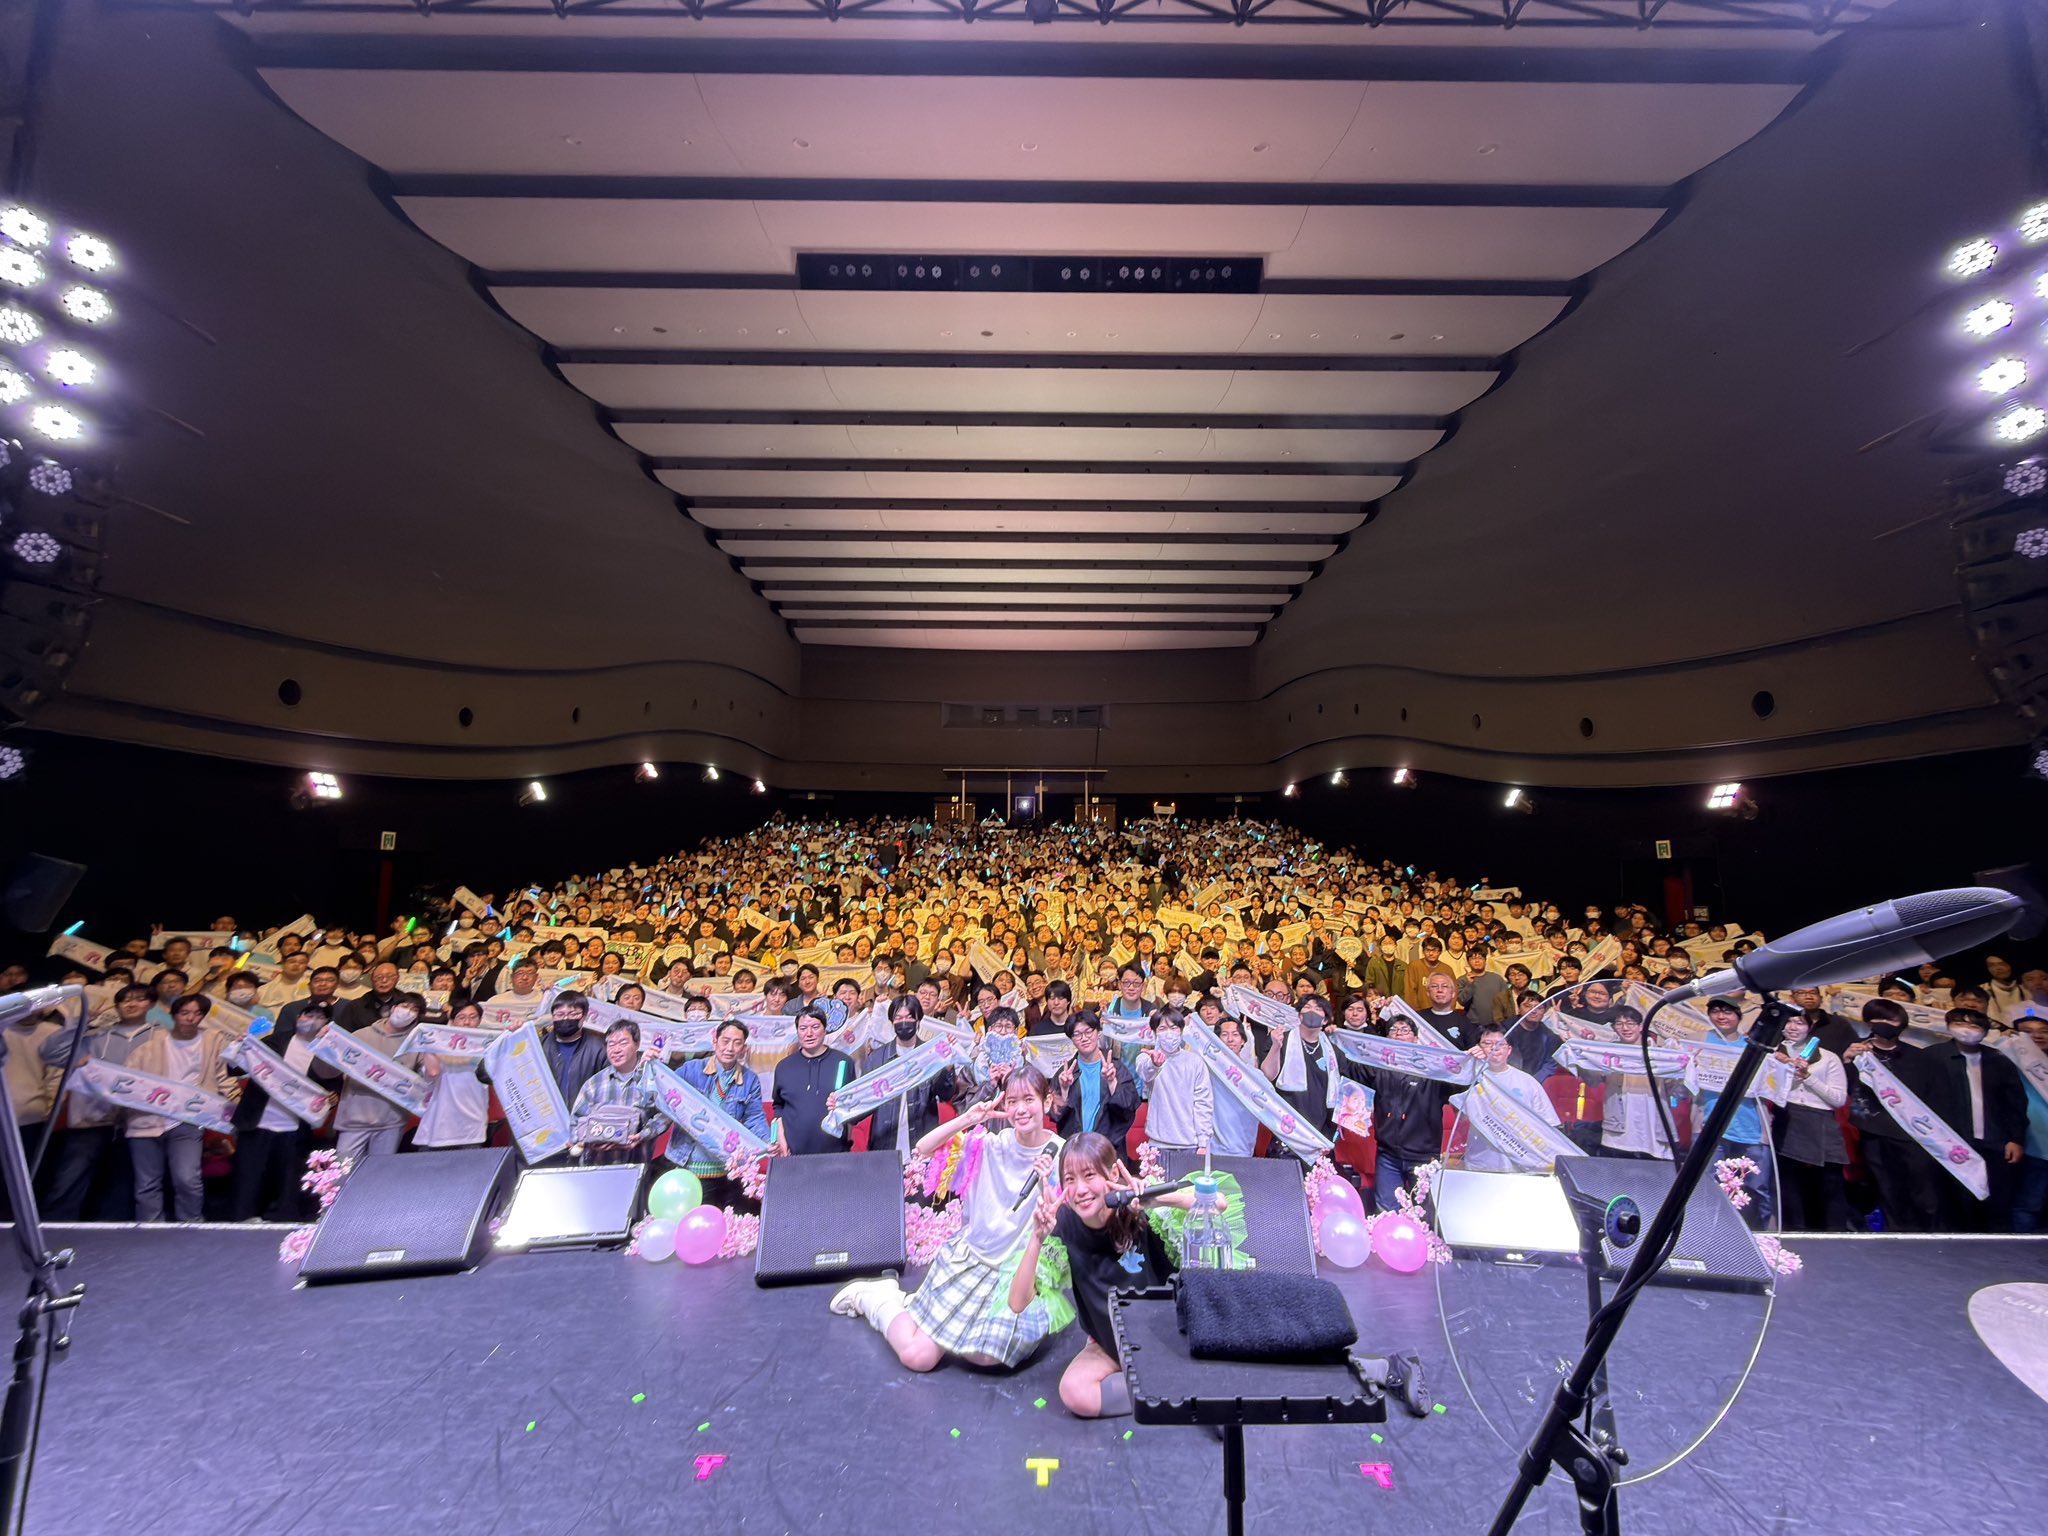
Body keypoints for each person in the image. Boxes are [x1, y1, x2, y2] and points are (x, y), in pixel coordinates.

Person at [829, 1065, 1062, 1372]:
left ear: (1047, 1102)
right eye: (1012, 1101)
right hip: (972, 1261)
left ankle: (927, 1313)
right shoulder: (989, 1145)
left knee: (987, 1356)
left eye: (1029, 1099)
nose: (1020, 1109)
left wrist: (1048, 1184)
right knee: (918, 1357)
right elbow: (924, 1149)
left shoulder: (1061, 1154)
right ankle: (877, 1297)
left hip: (1016, 1273)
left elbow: (1064, 1214)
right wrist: (968, 1119)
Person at [1009, 1131, 1238, 1419]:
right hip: (1111, 1343)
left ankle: (1167, 1379)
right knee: (1074, 1391)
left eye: (1089, 1175)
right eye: (1070, 1179)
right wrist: (1037, 1239)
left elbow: (1219, 1203)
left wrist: (1156, 1200)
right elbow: (1017, 1302)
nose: (1080, 1189)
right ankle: (1170, 1386)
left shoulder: (1139, 1203)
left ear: (1113, 1173)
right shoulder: (1063, 1224)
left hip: (1165, 1339)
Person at [42, 983, 156, 1220]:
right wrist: (80, 1024)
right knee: (69, 1181)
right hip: (90, 1121)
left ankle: (113, 1231)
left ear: (152, 1004)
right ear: (117, 1006)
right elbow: (50, 1053)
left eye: (139, 999)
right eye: (125, 1000)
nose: (132, 1004)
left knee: (123, 1183)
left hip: (139, 1123)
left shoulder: (162, 1038)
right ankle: (56, 1230)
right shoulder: (94, 1037)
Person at [1919, 1007, 2028, 1230]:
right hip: (1949, 1143)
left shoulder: (1998, 1060)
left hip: (1994, 1143)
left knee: (1995, 1202)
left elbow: (2015, 1103)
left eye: (1974, 1026)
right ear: (1949, 1027)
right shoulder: (1931, 1057)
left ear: (1985, 1031)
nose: (1966, 1030)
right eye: (1959, 1024)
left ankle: (1996, 1246)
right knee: (1952, 1203)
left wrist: (2015, 1139)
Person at [126, 994, 231, 1222]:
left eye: (197, 1013)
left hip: (188, 1119)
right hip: (145, 1120)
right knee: (147, 1182)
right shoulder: (149, 1047)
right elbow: (125, 1083)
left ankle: (191, 1224)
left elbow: (224, 1078)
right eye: (185, 1013)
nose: (191, 1018)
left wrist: (234, 1105)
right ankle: (151, 1228)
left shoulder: (212, 1042)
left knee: (187, 1178)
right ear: (173, 1015)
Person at [1844, 998, 1945, 1232]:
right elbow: (1844, 1092)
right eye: (1878, 1019)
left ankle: (1928, 1234)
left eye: (1891, 1020)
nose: (1885, 1024)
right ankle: (1895, 1233)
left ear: (1902, 1023)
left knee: (1923, 1189)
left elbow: (1934, 1095)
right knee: (1887, 1188)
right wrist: (1847, 1061)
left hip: (1915, 1133)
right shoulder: (1858, 1053)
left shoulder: (1921, 1058)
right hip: (1873, 1132)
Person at [229, 996, 332, 1220]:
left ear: (326, 1024)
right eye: (308, 1015)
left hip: (295, 1127)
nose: (312, 1020)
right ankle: (241, 1223)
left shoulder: (326, 1051)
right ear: (298, 1017)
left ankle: (283, 1225)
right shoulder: (275, 1041)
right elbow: (235, 1069)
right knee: (248, 1180)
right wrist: (237, 1048)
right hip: (258, 1121)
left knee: (289, 1183)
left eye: (319, 1017)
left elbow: (333, 1084)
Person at [838, 996, 961, 1158]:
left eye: (909, 1017)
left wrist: (948, 1066)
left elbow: (945, 1095)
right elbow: (862, 1105)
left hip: (923, 1144)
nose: (904, 1022)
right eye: (898, 1018)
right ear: (892, 1022)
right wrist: (841, 1104)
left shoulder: (930, 1053)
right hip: (885, 1144)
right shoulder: (877, 1059)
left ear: (918, 1021)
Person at [666, 1020, 769, 1207]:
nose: (730, 1048)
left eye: (737, 1043)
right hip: (687, 1163)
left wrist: (767, 1143)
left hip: (726, 1167)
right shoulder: (690, 1070)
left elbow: (754, 1117)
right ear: (715, 1042)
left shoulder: (750, 1080)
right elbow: (663, 1093)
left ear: (743, 1049)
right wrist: (649, 1065)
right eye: (725, 1041)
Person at [1771, 1009, 1849, 1231]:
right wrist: (1783, 1069)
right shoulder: (1772, 1055)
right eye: (1788, 1022)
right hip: (1788, 1119)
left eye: (1799, 1023)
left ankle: (1835, 1234)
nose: (1792, 1027)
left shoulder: (1828, 1057)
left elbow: (1838, 1099)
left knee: (1830, 1185)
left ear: (1810, 1027)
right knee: (1790, 1185)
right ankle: (1796, 1233)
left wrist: (1808, 1076)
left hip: (1821, 1122)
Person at [1364, 1013, 1451, 1213]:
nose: (1398, 1034)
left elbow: (1459, 1083)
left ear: (1416, 1038)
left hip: (1423, 1157)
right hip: (1388, 1155)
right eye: (1393, 1030)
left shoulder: (1432, 1070)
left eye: (1405, 1030)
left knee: (1425, 1214)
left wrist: (1471, 1059)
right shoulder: (1378, 1067)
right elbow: (1349, 1068)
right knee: (1386, 1213)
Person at [1461, 1023, 1563, 1173]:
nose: (1494, 1048)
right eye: (1487, 1043)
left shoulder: (1527, 1082)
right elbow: (1460, 1115)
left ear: (1509, 1050)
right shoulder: (1468, 1078)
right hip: (1481, 1161)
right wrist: (1466, 1065)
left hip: (1519, 1164)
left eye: (1500, 1044)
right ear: (1478, 1047)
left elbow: (1549, 1123)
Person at [569, 1020, 660, 1164]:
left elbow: (665, 1116)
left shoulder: (652, 1079)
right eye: (611, 1044)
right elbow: (575, 1122)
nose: (616, 1050)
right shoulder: (594, 1084)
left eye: (623, 1043)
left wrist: (643, 1135)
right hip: (595, 1164)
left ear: (637, 1044)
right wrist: (585, 1141)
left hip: (635, 1163)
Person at [1048, 1014, 1137, 1159]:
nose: (1084, 1038)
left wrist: (1112, 1082)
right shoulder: (1065, 1073)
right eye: (1077, 1034)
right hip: (1074, 1150)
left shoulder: (1116, 1068)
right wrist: (1064, 1091)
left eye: (1088, 1032)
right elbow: (1054, 1115)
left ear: (1098, 1033)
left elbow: (1129, 1107)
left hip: (1108, 1150)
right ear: (1072, 1039)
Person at [772, 1005, 855, 1156]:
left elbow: (852, 1106)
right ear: (797, 1031)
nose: (809, 1033)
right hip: (794, 1155)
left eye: (815, 1027)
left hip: (835, 1153)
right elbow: (778, 1106)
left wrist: (847, 1143)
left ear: (825, 1030)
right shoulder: (784, 1067)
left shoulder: (843, 1062)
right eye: (803, 1028)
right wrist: (781, 1139)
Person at [412, 1000, 494, 1153]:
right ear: (452, 1020)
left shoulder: (489, 1047)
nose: (467, 1022)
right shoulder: (438, 1044)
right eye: (461, 1017)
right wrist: (430, 1045)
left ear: (480, 1021)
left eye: (473, 1017)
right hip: (438, 1123)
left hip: (472, 1123)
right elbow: (433, 1072)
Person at [1594, 1007, 1673, 1161]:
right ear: (1613, 1028)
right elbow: (1593, 1080)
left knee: (1653, 1169)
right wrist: (1579, 1057)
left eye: (1630, 1023)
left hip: (1652, 1123)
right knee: (1618, 1169)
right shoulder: (1608, 1052)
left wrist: (1687, 1067)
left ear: (1640, 1026)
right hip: (1619, 1124)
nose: (1625, 1028)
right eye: (1619, 1024)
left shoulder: (1659, 1052)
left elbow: (1673, 1087)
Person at [1132, 1008, 1212, 1157]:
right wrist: (1155, 1064)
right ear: (1154, 1033)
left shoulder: (1195, 1062)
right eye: (1162, 1028)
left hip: (1191, 1145)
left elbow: (1203, 1103)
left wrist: (1203, 1142)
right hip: (1158, 1144)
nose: (1169, 1033)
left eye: (1174, 1028)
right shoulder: (1145, 1058)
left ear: (1181, 1031)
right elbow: (1146, 1072)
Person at [1206, 1014, 1262, 1158]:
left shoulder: (1255, 1075)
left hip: (1243, 1147)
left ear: (1243, 1040)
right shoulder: (1206, 1071)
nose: (1230, 1039)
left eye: (1235, 1035)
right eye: (1224, 1035)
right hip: (1211, 1149)